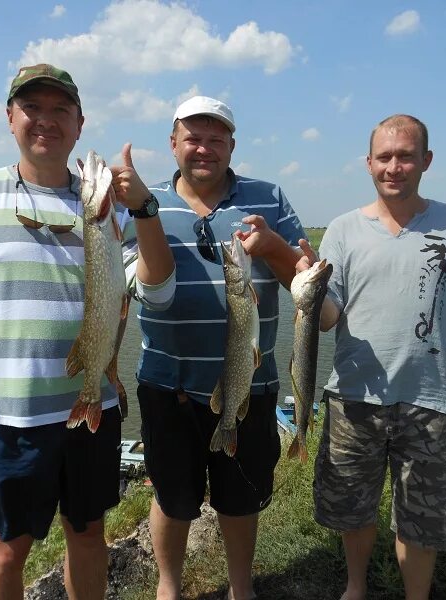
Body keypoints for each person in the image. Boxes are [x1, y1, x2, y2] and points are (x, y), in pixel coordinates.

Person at [0, 63, 175, 600]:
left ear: (79, 124)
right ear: (10, 117)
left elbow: (156, 288)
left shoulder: (112, 212)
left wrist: (143, 208)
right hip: (12, 417)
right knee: (8, 548)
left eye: (61, 110)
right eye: (32, 107)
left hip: (93, 409)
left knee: (87, 533)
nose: (46, 120)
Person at [297, 114, 446, 600]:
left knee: (422, 518)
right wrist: (307, 286)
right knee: (352, 508)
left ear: (426, 160)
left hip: (430, 399)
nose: (394, 166)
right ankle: (355, 587)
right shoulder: (342, 230)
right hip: (353, 397)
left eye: (406, 156)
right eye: (384, 157)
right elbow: (326, 318)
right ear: (368, 163)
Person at [135, 96, 306, 600]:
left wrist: (275, 247)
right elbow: (136, 282)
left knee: (239, 497)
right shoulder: (146, 203)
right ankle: (169, 588)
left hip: (251, 383)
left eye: (216, 139)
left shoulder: (268, 196)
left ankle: (240, 589)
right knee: (171, 496)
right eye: (193, 138)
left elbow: (303, 281)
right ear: (173, 144)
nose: (204, 148)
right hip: (166, 383)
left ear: (232, 145)